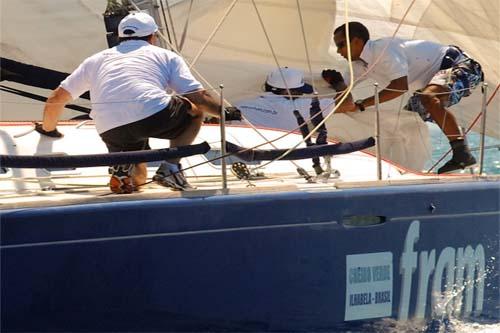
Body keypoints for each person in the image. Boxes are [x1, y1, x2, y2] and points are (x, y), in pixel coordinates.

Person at [37, 12, 227, 193]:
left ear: (120, 37)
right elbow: (198, 97)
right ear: (153, 36)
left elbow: (56, 98)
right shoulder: (165, 55)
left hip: (109, 126)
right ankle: (170, 167)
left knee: (139, 177)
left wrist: (48, 129)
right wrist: (227, 114)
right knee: (194, 111)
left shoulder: (95, 60)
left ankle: (125, 175)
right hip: (151, 114)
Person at [322, 22, 483, 174]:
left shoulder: (383, 49)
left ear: (356, 41)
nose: (338, 51)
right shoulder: (356, 66)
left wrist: (363, 104)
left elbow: (399, 86)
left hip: (461, 65)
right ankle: (412, 168)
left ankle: (461, 153)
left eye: (341, 44)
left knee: (428, 97)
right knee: (409, 120)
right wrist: (338, 83)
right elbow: (346, 103)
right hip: (434, 79)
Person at [235, 67, 335, 175]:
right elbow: (347, 104)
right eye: (299, 91)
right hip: (281, 165)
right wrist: (338, 83)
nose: (301, 95)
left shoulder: (240, 105)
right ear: (287, 91)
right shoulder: (298, 107)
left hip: (237, 163)